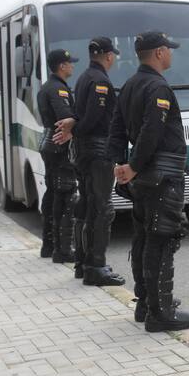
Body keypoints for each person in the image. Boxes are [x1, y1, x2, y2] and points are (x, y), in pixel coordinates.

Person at [113, 31, 189, 333]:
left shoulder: (129, 85)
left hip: (144, 178)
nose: (171, 54)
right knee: (162, 239)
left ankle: (146, 304)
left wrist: (121, 165)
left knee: (144, 237)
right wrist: (133, 166)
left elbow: (116, 129)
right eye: (169, 50)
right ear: (160, 53)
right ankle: (160, 312)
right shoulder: (158, 87)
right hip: (161, 177)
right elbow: (152, 130)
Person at [66, 36, 127, 287]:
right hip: (98, 150)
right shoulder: (100, 81)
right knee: (102, 209)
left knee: (88, 205)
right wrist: (77, 130)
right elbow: (93, 118)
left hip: (83, 151)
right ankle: (96, 266)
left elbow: (79, 115)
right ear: (109, 56)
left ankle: (83, 263)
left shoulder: (83, 77)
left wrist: (75, 130)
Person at [37, 49, 80, 264]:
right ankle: (63, 249)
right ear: (62, 66)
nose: (72, 65)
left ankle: (49, 245)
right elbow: (65, 118)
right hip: (59, 146)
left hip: (50, 143)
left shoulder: (47, 86)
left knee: (53, 193)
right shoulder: (58, 89)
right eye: (70, 62)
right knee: (66, 195)